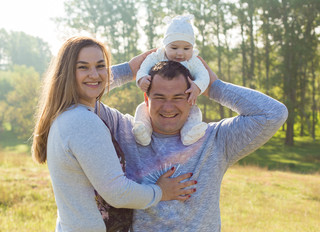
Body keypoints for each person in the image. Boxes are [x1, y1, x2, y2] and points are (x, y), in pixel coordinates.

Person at [97, 60, 288, 231]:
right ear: (147, 99)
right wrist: (128, 70)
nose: (168, 107)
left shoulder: (216, 138)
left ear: (192, 97)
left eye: (179, 97)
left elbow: (273, 113)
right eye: (160, 97)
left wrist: (213, 86)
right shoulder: (125, 129)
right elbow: (73, 96)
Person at [31, 36, 197, 232]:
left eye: (100, 66)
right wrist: (160, 192)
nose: (94, 74)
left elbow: (96, 81)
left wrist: (129, 69)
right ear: (67, 73)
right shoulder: (83, 121)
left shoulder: (70, 114)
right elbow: (118, 193)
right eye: (83, 67)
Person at [133, 14, 209, 146]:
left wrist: (197, 86)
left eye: (186, 48)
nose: (180, 53)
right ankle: (143, 131)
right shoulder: (157, 56)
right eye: (174, 48)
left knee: (195, 112)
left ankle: (190, 132)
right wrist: (141, 78)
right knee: (142, 109)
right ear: (165, 46)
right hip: (150, 110)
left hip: (188, 101)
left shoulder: (193, 61)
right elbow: (144, 66)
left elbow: (204, 75)